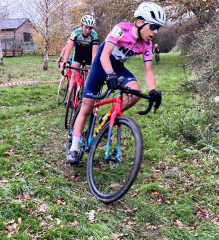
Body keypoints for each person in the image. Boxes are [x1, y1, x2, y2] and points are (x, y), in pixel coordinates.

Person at [66, 2, 166, 165]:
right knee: (87, 106)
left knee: (135, 92)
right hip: (101, 64)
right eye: (153, 26)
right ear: (140, 22)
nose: (155, 31)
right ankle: (74, 148)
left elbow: (148, 71)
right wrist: (110, 75)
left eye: (158, 28)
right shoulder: (121, 29)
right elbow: (104, 54)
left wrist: (153, 90)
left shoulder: (147, 44)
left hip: (118, 67)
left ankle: (107, 117)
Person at [62, 15, 99, 96]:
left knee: (87, 77)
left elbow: (94, 53)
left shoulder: (94, 35)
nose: (88, 30)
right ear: (81, 26)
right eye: (86, 27)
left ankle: (83, 96)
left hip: (88, 52)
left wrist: (93, 66)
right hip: (78, 51)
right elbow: (69, 48)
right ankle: (70, 98)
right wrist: (65, 61)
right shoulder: (76, 32)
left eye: (90, 28)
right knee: (73, 74)